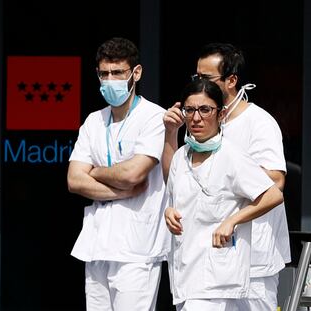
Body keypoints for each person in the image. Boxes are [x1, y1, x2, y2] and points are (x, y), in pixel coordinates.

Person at [162, 43, 290, 310]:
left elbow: (275, 183)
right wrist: (170, 134)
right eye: (195, 77)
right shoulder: (191, 143)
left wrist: (228, 189)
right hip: (202, 260)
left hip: (254, 259)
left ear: (231, 80)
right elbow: (175, 182)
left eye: (206, 78)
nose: (199, 83)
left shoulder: (258, 124)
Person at [67, 37, 170, 310]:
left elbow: (134, 175)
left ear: (136, 73)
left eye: (117, 72)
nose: (109, 80)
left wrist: (96, 171)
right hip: (97, 244)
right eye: (104, 73)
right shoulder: (94, 121)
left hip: (137, 248)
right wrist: (121, 188)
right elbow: (74, 179)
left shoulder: (153, 117)